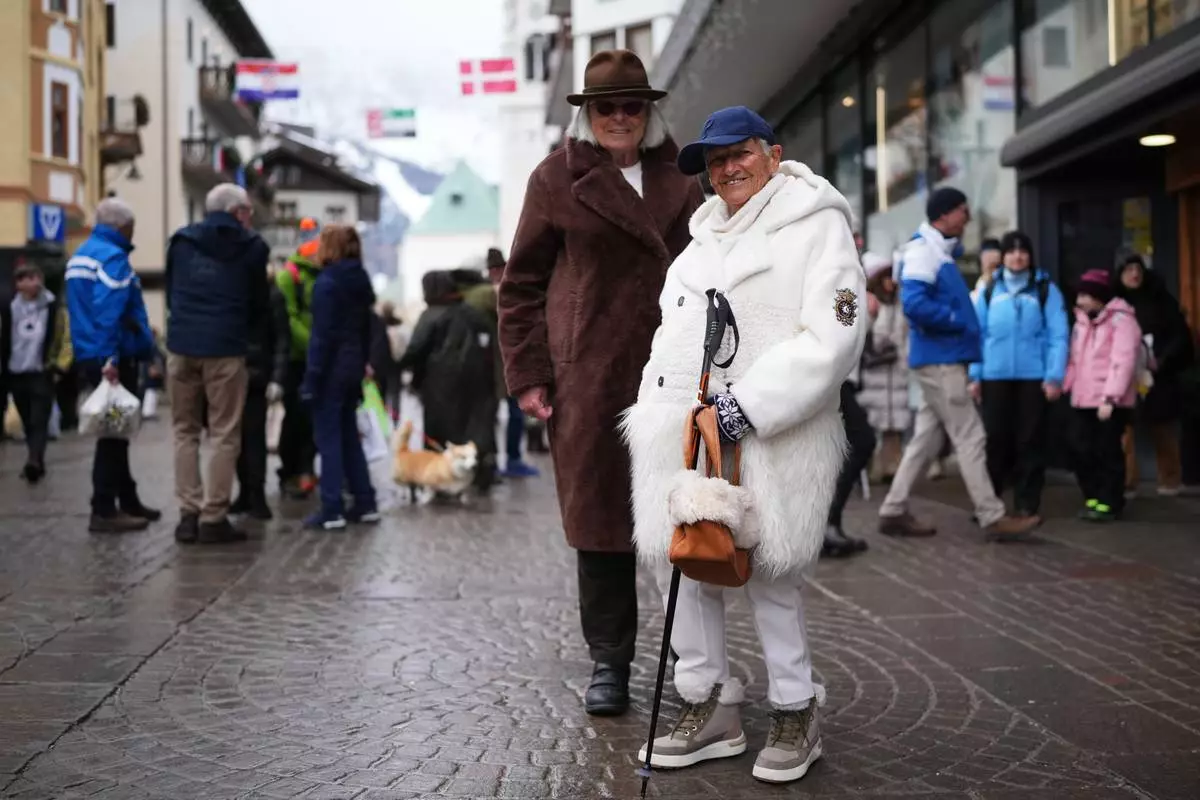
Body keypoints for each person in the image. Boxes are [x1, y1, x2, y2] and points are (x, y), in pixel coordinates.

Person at [624, 106, 865, 784]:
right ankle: (708, 704)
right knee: (689, 567)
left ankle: (795, 708)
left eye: (740, 153)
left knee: (772, 575)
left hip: (771, 430)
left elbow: (834, 338)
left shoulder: (818, 225)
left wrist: (749, 407)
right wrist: (659, 418)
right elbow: (666, 343)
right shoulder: (697, 247)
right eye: (714, 160)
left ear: (773, 153)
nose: (727, 168)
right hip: (686, 436)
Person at [499, 49, 703, 716]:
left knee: (684, 514)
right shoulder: (555, 179)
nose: (620, 117)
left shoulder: (684, 177)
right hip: (589, 373)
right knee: (601, 523)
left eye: (632, 106)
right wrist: (530, 374)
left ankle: (694, 659)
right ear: (587, 114)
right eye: (607, 107)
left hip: (674, 369)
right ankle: (610, 662)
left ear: (649, 112)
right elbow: (520, 286)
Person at [877, 188, 1038, 539]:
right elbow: (915, 305)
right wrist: (956, 318)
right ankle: (992, 515)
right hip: (941, 361)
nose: (967, 217)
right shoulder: (925, 251)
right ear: (945, 215)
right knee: (971, 436)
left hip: (939, 358)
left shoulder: (932, 250)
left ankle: (893, 508)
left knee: (925, 440)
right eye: (962, 211)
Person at [165, 183, 269, 544]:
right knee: (225, 434)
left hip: (181, 345)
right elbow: (259, 302)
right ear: (238, 211)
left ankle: (187, 515)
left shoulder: (181, 242)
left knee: (184, 431)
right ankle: (214, 516)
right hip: (225, 348)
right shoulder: (252, 247)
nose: (250, 218)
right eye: (249, 211)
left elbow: (171, 291)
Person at [65, 197, 159, 533]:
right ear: (122, 227)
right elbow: (109, 312)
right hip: (114, 358)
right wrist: (111, 361)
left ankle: (127, 498)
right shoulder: (113, 258)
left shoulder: (81, 256)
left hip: (91, 353)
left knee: (117, 429)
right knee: (113, 433)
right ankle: (104, 508)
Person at [968, 231, 1069, 519]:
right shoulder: (990, 290)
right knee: (995, 440)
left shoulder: (1045, 289)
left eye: (1022, 250)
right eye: (1010, 251)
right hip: (994, 377)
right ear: (1003, 257)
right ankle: (989, 505)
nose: (1017, 256)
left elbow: (1058, 335)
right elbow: (978, 334)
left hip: (1033, 377)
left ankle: (1027, 504)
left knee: (1030, 441)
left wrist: (1054, 376)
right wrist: (975, 375)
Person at [300, 225, 379, 530]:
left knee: (329, 439)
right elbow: (366, 329)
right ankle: (364, 501)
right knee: (348, 436)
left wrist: (312, 378)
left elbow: (322, 336)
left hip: (331, 369)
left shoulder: (327, 282)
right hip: (353, 366)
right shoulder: (360, 279)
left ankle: (332, 507)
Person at [398, 270, 496, 488]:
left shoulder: (431, 314)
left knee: (439, 433)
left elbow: (416, 349)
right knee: (472, 429)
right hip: (476, 383)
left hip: (439, 386)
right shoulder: (472, 314)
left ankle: (439, 477)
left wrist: (396, 367)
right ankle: (481, 474)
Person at [1113, 254, 1194, 497]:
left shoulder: (1162, 299)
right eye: (1128, 269)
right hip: (1124, 374)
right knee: (1123, 429)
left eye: (1138, 268)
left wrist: (1163, 359)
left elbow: (1179, 335)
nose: (1134, 274)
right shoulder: (1114, 303)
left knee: (1164, 426)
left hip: (1160, 372)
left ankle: (1170, 480)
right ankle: (1126, 480)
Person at [1065, 269, 1142, 521]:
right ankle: (1094, 497)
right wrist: (1065, 386)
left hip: (1109, 402)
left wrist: (1110, 398)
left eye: (1085, 295)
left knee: (1107, 451)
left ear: (1099, 297)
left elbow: (1123, 362)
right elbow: (1075, 360)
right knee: (1080, 448)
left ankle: (1110, 502)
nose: (1080, 301)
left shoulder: (1123, 321)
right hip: (1082, 398)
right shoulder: (1081, 322)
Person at [1, 262, 73, 483]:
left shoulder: (53, 307)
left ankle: (33, 459)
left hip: (42, 371)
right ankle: (37, 461)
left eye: (36, 277)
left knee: (39, 418)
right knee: (26, 418)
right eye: (27, 279)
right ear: (19, 284)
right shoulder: (8, 308)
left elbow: (66, 339)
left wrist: (60, 366)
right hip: (15, 371)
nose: (34, 283)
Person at [232, 277, 290, 520]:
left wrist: (277, 377)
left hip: (250, 374)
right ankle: (247, 493)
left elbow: (281, 339)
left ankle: (254, 494)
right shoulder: (269, 293)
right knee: (238, 438)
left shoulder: (270, 294)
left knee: (252, 438)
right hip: (243, 372)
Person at [275, 220, 322, 498]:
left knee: (313, 417)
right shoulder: (288, 276)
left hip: (316, 359)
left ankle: (306, 468)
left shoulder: (323, 276)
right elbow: (287, 319)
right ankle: (291, 470)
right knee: (295, 416)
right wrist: (313, 344)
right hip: (295, 360)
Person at [483, 249, 539, 479]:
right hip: (500, 366)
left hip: (504, 366)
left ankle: (507, 460)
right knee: (508, 414)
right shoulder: (490, 295)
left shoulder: (498, 292)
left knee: (513, 414)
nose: (497, 273)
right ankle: (505, 461)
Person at [859, 252, 910, 482]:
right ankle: (872, 469)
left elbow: (905, 337)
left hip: (896, 374)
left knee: (894, 425)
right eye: (887, 277)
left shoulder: (900, 305)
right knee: (873, 424)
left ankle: (892, 467)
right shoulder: (870, 302)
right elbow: (863, 338)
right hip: (874, 374)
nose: (892, 282)